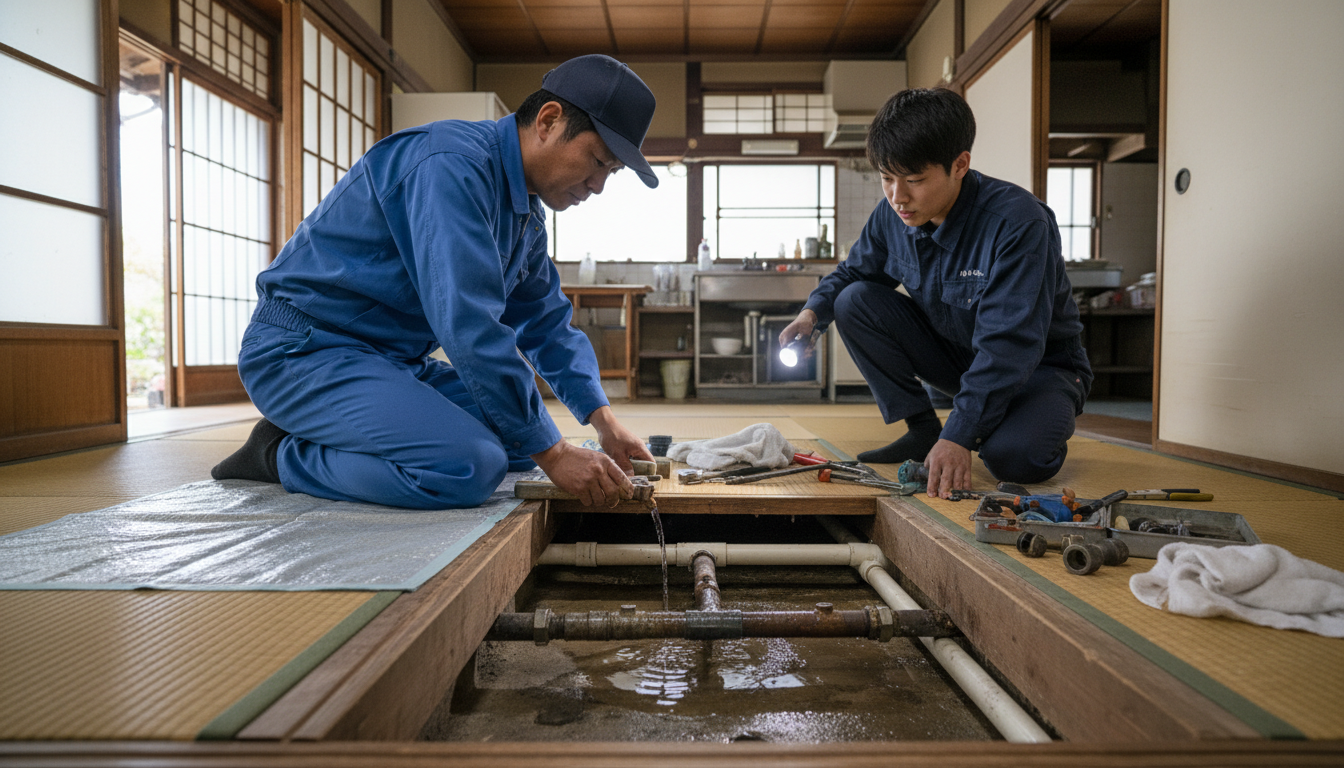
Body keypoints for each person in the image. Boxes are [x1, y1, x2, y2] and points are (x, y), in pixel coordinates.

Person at [211, 55, 657, 509]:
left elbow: (547, 323)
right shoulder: (451, 165)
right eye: (598, 161)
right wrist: (558, 453)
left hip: (390, 361)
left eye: (611, 173)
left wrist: (603, 421)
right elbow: (468, 324)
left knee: (523, 442)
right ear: (548, 121)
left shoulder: (526, 214)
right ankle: (280, 454)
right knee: (469, 466)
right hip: (304, 350)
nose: (598, 185)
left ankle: (344, 423)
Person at [779, 88, 1092, 499]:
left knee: (1015, 460)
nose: (897, 196)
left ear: (960, 165)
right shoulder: (893, 215)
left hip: (1040, 368)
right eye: (887, 178)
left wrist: (962, 435)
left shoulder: (1018, 223)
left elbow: (1010, 344)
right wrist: (811, 314)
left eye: (914, 180)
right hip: (960, 358)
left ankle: (1017, 420)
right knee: (852, 298)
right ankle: (924, 430)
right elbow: (855, 270)